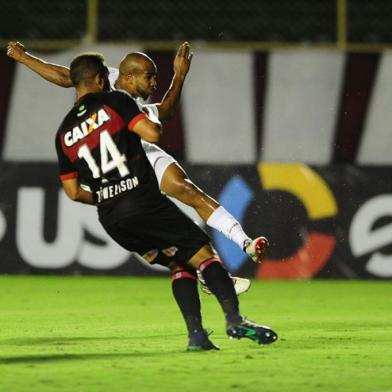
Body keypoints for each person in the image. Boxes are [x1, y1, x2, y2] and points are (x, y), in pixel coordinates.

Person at [55, 52, 277, 350]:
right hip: (141, 200)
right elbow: (153, 133)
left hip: (111, 218)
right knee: (203, 253)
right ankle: (234, 319)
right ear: (100, 79)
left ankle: (197, 336)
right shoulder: (116, 101)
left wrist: (106, 195)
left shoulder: (63, 133)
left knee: (177, 262)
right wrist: (144, 120)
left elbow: (72, 192)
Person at [7, 41, 269, 293]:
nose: (154, 83)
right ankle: (203, 271)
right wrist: (22, 57)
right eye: (150, 77)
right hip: (117, 158)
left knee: (188, 190)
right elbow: (67, 76)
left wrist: (179, 76)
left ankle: (244, 243)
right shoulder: (106, 80)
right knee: (156, 221)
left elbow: (165, 111)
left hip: (141, 147)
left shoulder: (137, 106)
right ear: (130, 77)